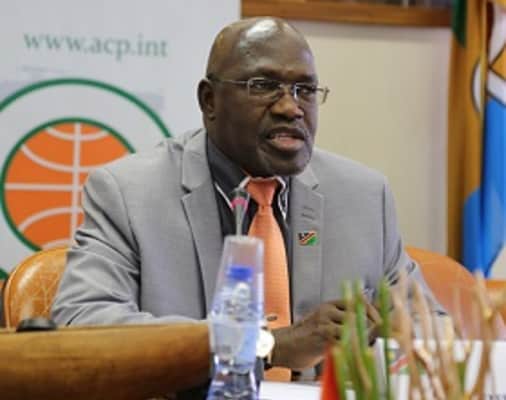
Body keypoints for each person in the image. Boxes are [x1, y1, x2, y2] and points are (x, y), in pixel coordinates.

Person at [52, 17, 442, 377]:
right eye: (263, 86)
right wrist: (265, 346)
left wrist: (385, 336)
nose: (290, 107)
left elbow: (435, 332)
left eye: (305, 90)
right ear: (209, 101)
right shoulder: (129, 193)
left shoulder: (363, 196)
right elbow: (82, 321)